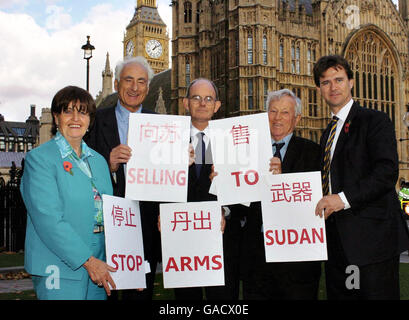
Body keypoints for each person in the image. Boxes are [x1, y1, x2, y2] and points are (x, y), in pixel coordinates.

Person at [313, 54, 409, 299]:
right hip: (337, 244)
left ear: (351, 82)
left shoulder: (374, 120)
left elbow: (386, 172)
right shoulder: (328, 134)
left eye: (339, 80)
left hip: (372, 242)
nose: (333, 87)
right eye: (326, 82)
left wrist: (341, 200)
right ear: (319, 89)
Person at [21, 86, 116, 300]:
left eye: (82, 112)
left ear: (90, 119)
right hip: (59, 262)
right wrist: (88, 261)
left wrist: (131, 271)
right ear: (56, 118)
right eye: (68, 111)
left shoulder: (100, 161)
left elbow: (113, 213)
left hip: (100, 259)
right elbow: (49, 220)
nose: (75, 118)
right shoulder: (40, 159)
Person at [234, 89, 322, 299]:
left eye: (285, 112)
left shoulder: (313, 153)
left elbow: (315, 204)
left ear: (297, 118)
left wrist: (283, 180)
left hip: (297, 266)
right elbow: (239, 207)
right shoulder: (246, 152)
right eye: (273, 111)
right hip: (257, 261)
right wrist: (221, 183)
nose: (277, 118)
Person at [85, 56, 160, 300]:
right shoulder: (95, 121)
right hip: (107, 223)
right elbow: (80, 169)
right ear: (116, 84)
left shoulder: (161, 124)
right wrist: (109, 163)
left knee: (140, 294)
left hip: (146, 225)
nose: (135, 88)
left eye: (141, 82)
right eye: (129, 80)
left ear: (148, 88)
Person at [173, 77, 236, 300]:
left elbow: (246, 194)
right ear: (186, 103)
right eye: (196, 98)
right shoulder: (169, 140)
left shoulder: (233, 141)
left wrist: (225, 210)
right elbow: (155, 186)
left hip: (221, 242)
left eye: (208, 99)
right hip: (182, 242)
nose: (202, 103)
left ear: (217, 105)